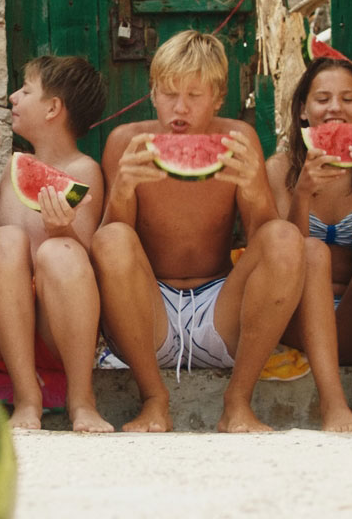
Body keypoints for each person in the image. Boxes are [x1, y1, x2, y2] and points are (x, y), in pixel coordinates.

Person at [92, 30, 304, 434]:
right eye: (169, 93)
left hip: (219, 309)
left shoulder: (238, 139)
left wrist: (255, 190)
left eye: (194, 95)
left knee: (284, 236)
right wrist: (121, 190)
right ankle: (154, 399)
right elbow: (107, 246)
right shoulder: (125, 142)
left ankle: (238, 402)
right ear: (152, 93)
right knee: (112, 238)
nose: (180, 108)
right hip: (147, 312)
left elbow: (267, 237)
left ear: (218, 98)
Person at [265, 58, 352, 434]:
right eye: (322, 98)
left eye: (347, 99)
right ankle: (333, 405)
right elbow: (283, 256)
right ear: (303, 110)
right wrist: (304, 194)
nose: (335, 109)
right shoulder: (279, 170)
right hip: (297, 319)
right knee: (311, 251)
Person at [0, 56, 110, 432]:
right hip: (0, 330)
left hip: (58, 331)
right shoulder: (14, 167)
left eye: (26, 90)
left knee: (60, 251)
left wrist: (61, 230)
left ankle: (82, 399)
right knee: (4, 238)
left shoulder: (84, 172)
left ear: (53, 108)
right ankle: (26, 396)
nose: (14, 97)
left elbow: (85, 261)